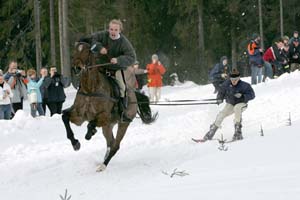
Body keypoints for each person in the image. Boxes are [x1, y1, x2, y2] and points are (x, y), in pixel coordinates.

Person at [88, 19, 137, 122]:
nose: (113, 32)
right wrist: (99, 47)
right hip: (101, 66)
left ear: (120, 30)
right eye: (111, 29)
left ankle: (122, 112)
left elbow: (132, 57)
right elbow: (91, 39)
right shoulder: (103, 35)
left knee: (122, 87)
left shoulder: (124, 42)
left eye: (115, 30)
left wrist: (118, 60)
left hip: (116, 69)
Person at [202, 69, 255, 141]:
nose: (233, 81)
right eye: (232, 79)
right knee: (222, 114)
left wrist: (243, 96)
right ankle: (211, 132)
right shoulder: (226, 84)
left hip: (242, 103)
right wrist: (219, 98)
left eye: (235, 79)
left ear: (239, 78)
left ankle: (238, 132)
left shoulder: (245, 85)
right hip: (231, 103)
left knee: (237, 108)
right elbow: (221, 92)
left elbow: (252, 95)